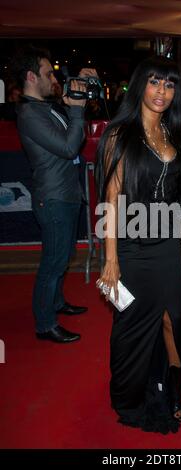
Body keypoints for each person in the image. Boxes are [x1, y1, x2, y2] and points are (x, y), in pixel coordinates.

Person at [96, 56, 181, 433]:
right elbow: (112, 199)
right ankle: (128, 394)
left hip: (168, 244)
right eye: (154, 82)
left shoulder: (172, 132)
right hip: (132, 247)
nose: (161, 92)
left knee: (172, 319)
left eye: (169, 85)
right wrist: (110, 259)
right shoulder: (120, 135)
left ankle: (172, 389)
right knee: (131, 325)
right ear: (139, 86)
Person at [11, 45, 96, 343]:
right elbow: (69, 147)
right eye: (48, 73)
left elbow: (68, 135)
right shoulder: (29, 114)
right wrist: (75, 109)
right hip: (54, 198)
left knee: (63, 256)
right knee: (54, 263)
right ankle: (45, 324)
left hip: (65, 194)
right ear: (32, 77)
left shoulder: (44, 108)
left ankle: (57, 303)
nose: (54, 79)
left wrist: (77, 89)